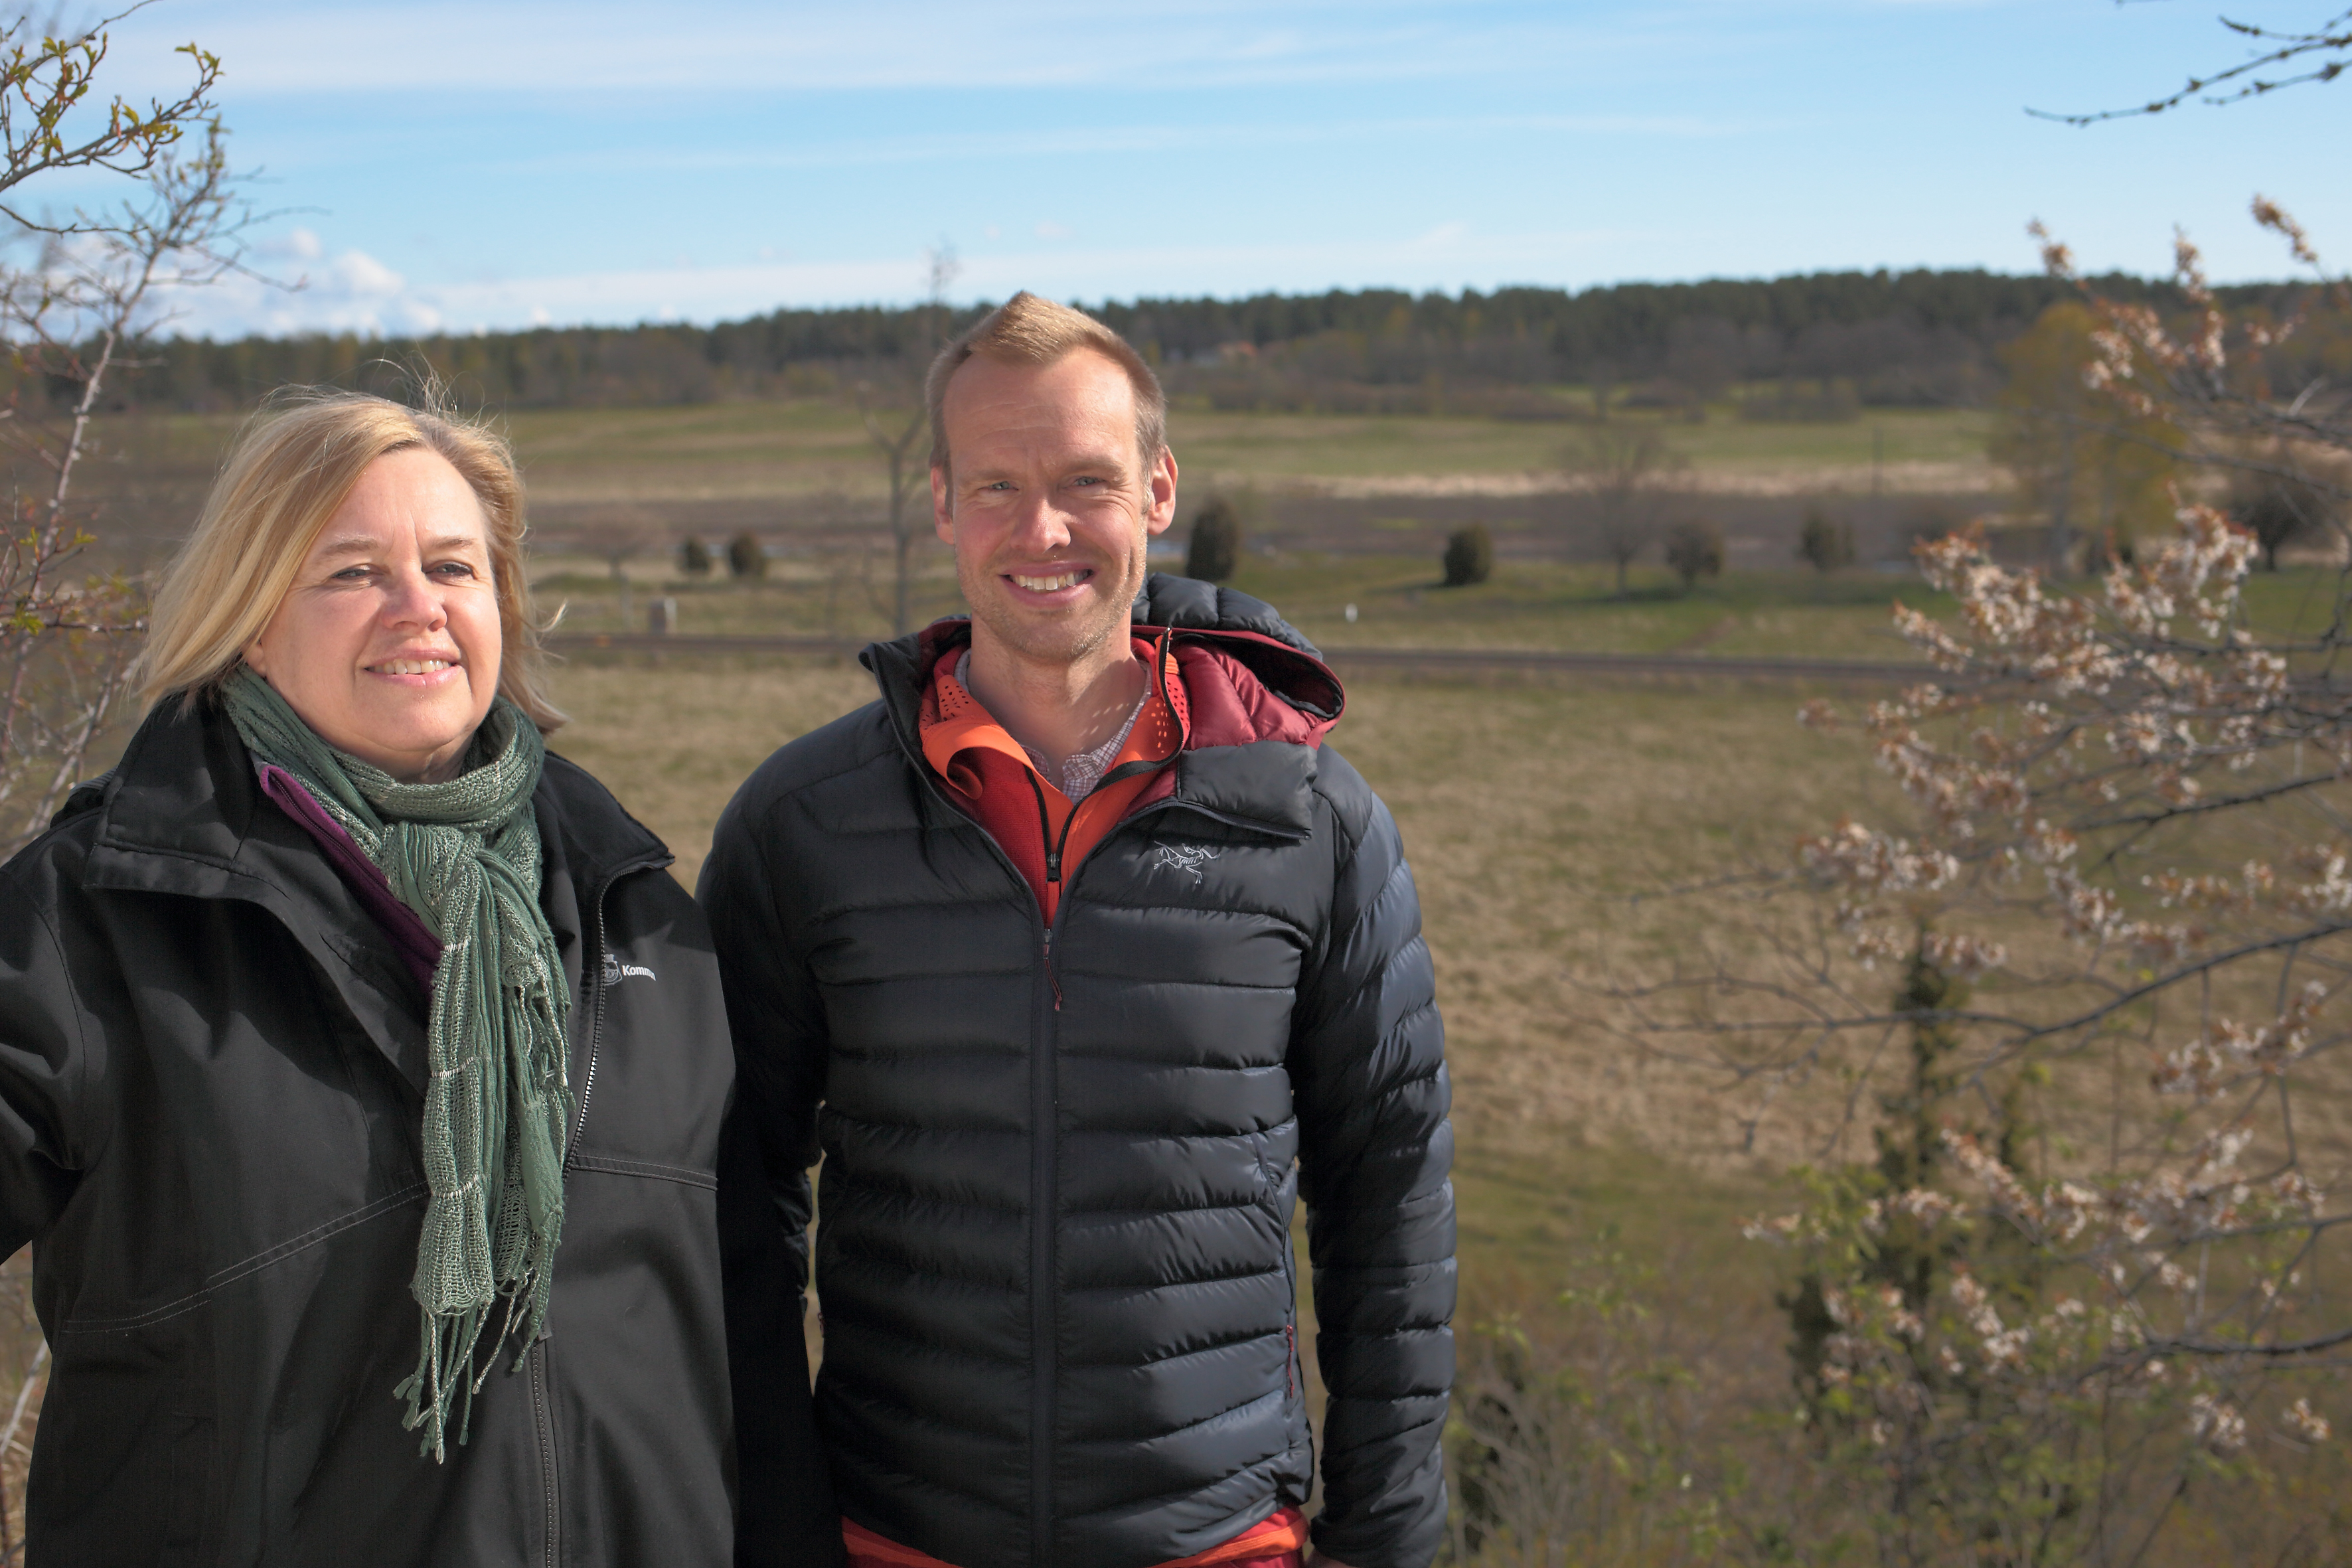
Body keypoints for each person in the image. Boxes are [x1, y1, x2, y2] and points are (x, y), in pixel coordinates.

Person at [0, 388, 834, 1565]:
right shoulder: (99, 919)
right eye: (351, 572)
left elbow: (742, 1331)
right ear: (249, 614)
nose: (419, 608)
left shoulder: (638, 915)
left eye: (455, 565)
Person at [705, 293, 1454, 1568]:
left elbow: (1388, 1202)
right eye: (996, 483)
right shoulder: (803, 823)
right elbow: (731, 1196)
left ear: (1159, 491)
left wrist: (1384, 1540)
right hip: (898, 1539)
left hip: (1223, 1542)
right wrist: (780, 1525)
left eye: (1086, 481)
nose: (1041, 529)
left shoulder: (1312, 818)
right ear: (939, 501)